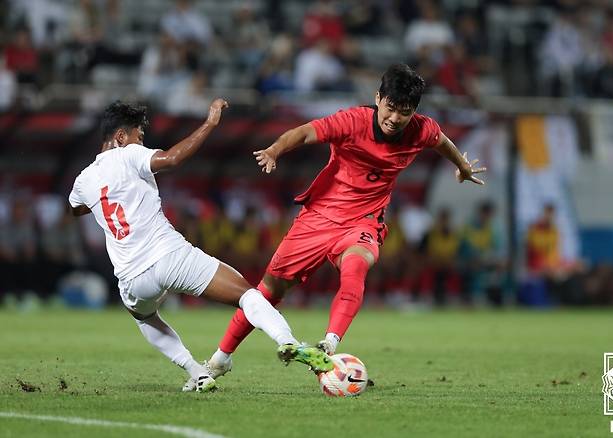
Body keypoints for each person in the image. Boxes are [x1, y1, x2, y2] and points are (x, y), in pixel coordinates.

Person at [208, 63, 485, 378]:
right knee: (268, 291)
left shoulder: (422, 129)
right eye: (391, 108)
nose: (395, 118)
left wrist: (462, 165)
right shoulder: (351, 121)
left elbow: (441, 141)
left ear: (414, 112)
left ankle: (329, 344)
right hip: (320, 216)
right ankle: (221, 358)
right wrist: (275, 149)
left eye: (404, 112)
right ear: (378, 98)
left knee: (356, 266)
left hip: (364, 221)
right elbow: (304, 132)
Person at [68, 99, 332, 393]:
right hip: (169, 256)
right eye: (138, 136)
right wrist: (209, 124)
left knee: (144, 318)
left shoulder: (83, 180)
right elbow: (170, 160)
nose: (141, 143)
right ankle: (287, 342)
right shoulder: (127, 155)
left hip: (131, 279)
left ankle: (196, 371)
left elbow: (76, 208)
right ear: (120, 137)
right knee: (247, 295)